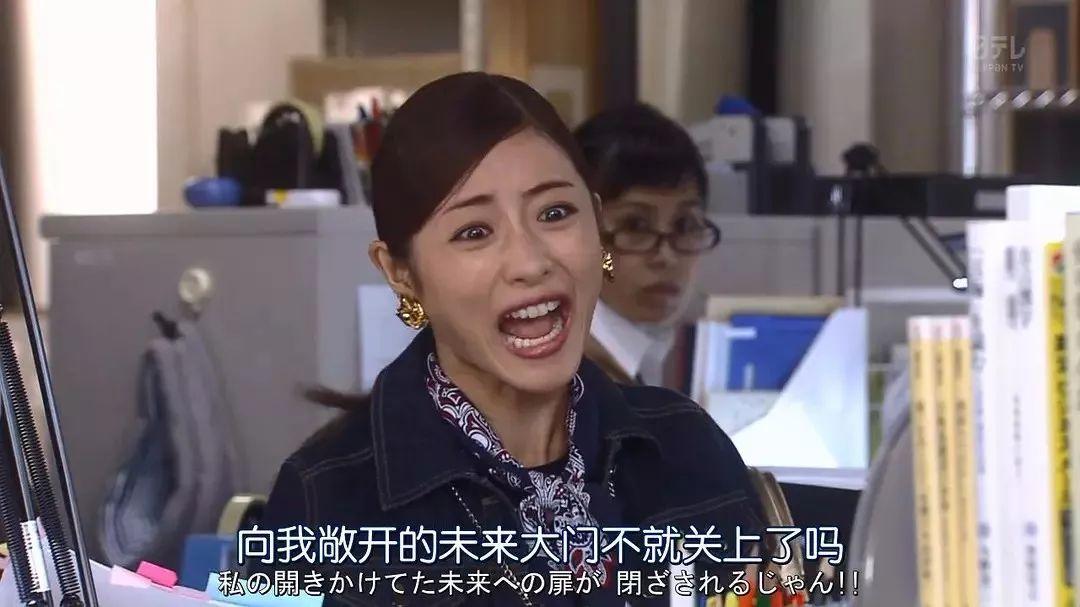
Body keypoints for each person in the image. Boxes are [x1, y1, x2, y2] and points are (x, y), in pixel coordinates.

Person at [256, 73, 764, 607]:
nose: (530, 262)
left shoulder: (687, 448)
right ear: (400, 273)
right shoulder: (325, 500)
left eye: (555, 213)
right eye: (474, 232)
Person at [573, 104, 720, 387]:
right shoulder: (572, 381)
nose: (666, 256)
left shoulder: (635, 358)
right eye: (635, 226)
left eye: (684, 225)